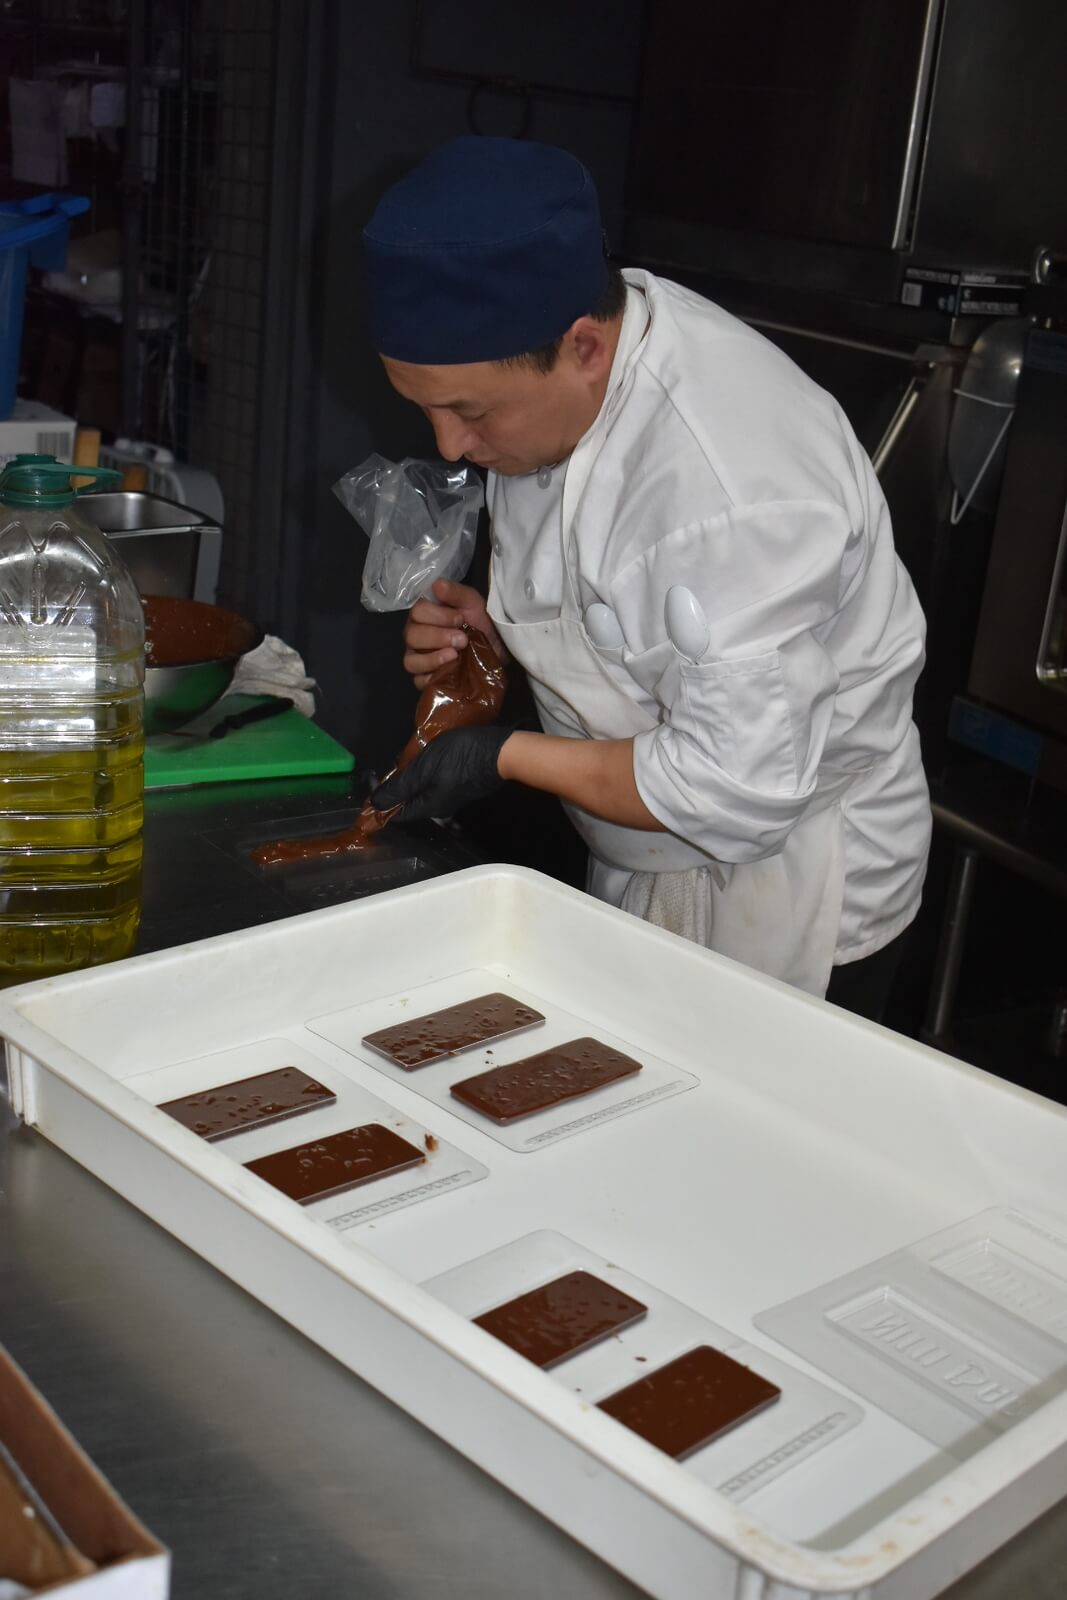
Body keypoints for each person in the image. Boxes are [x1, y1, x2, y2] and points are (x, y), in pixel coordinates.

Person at [363, 136, 932, 1021]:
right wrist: (503, 642)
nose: (448, 447)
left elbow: (735, 793)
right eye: (422, 408)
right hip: (641, 856)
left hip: (782, 897)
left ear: (583, 347)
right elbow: (620, 596)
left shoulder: (727, 490)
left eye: (469, 413)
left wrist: (502, 755)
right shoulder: (571, 372)